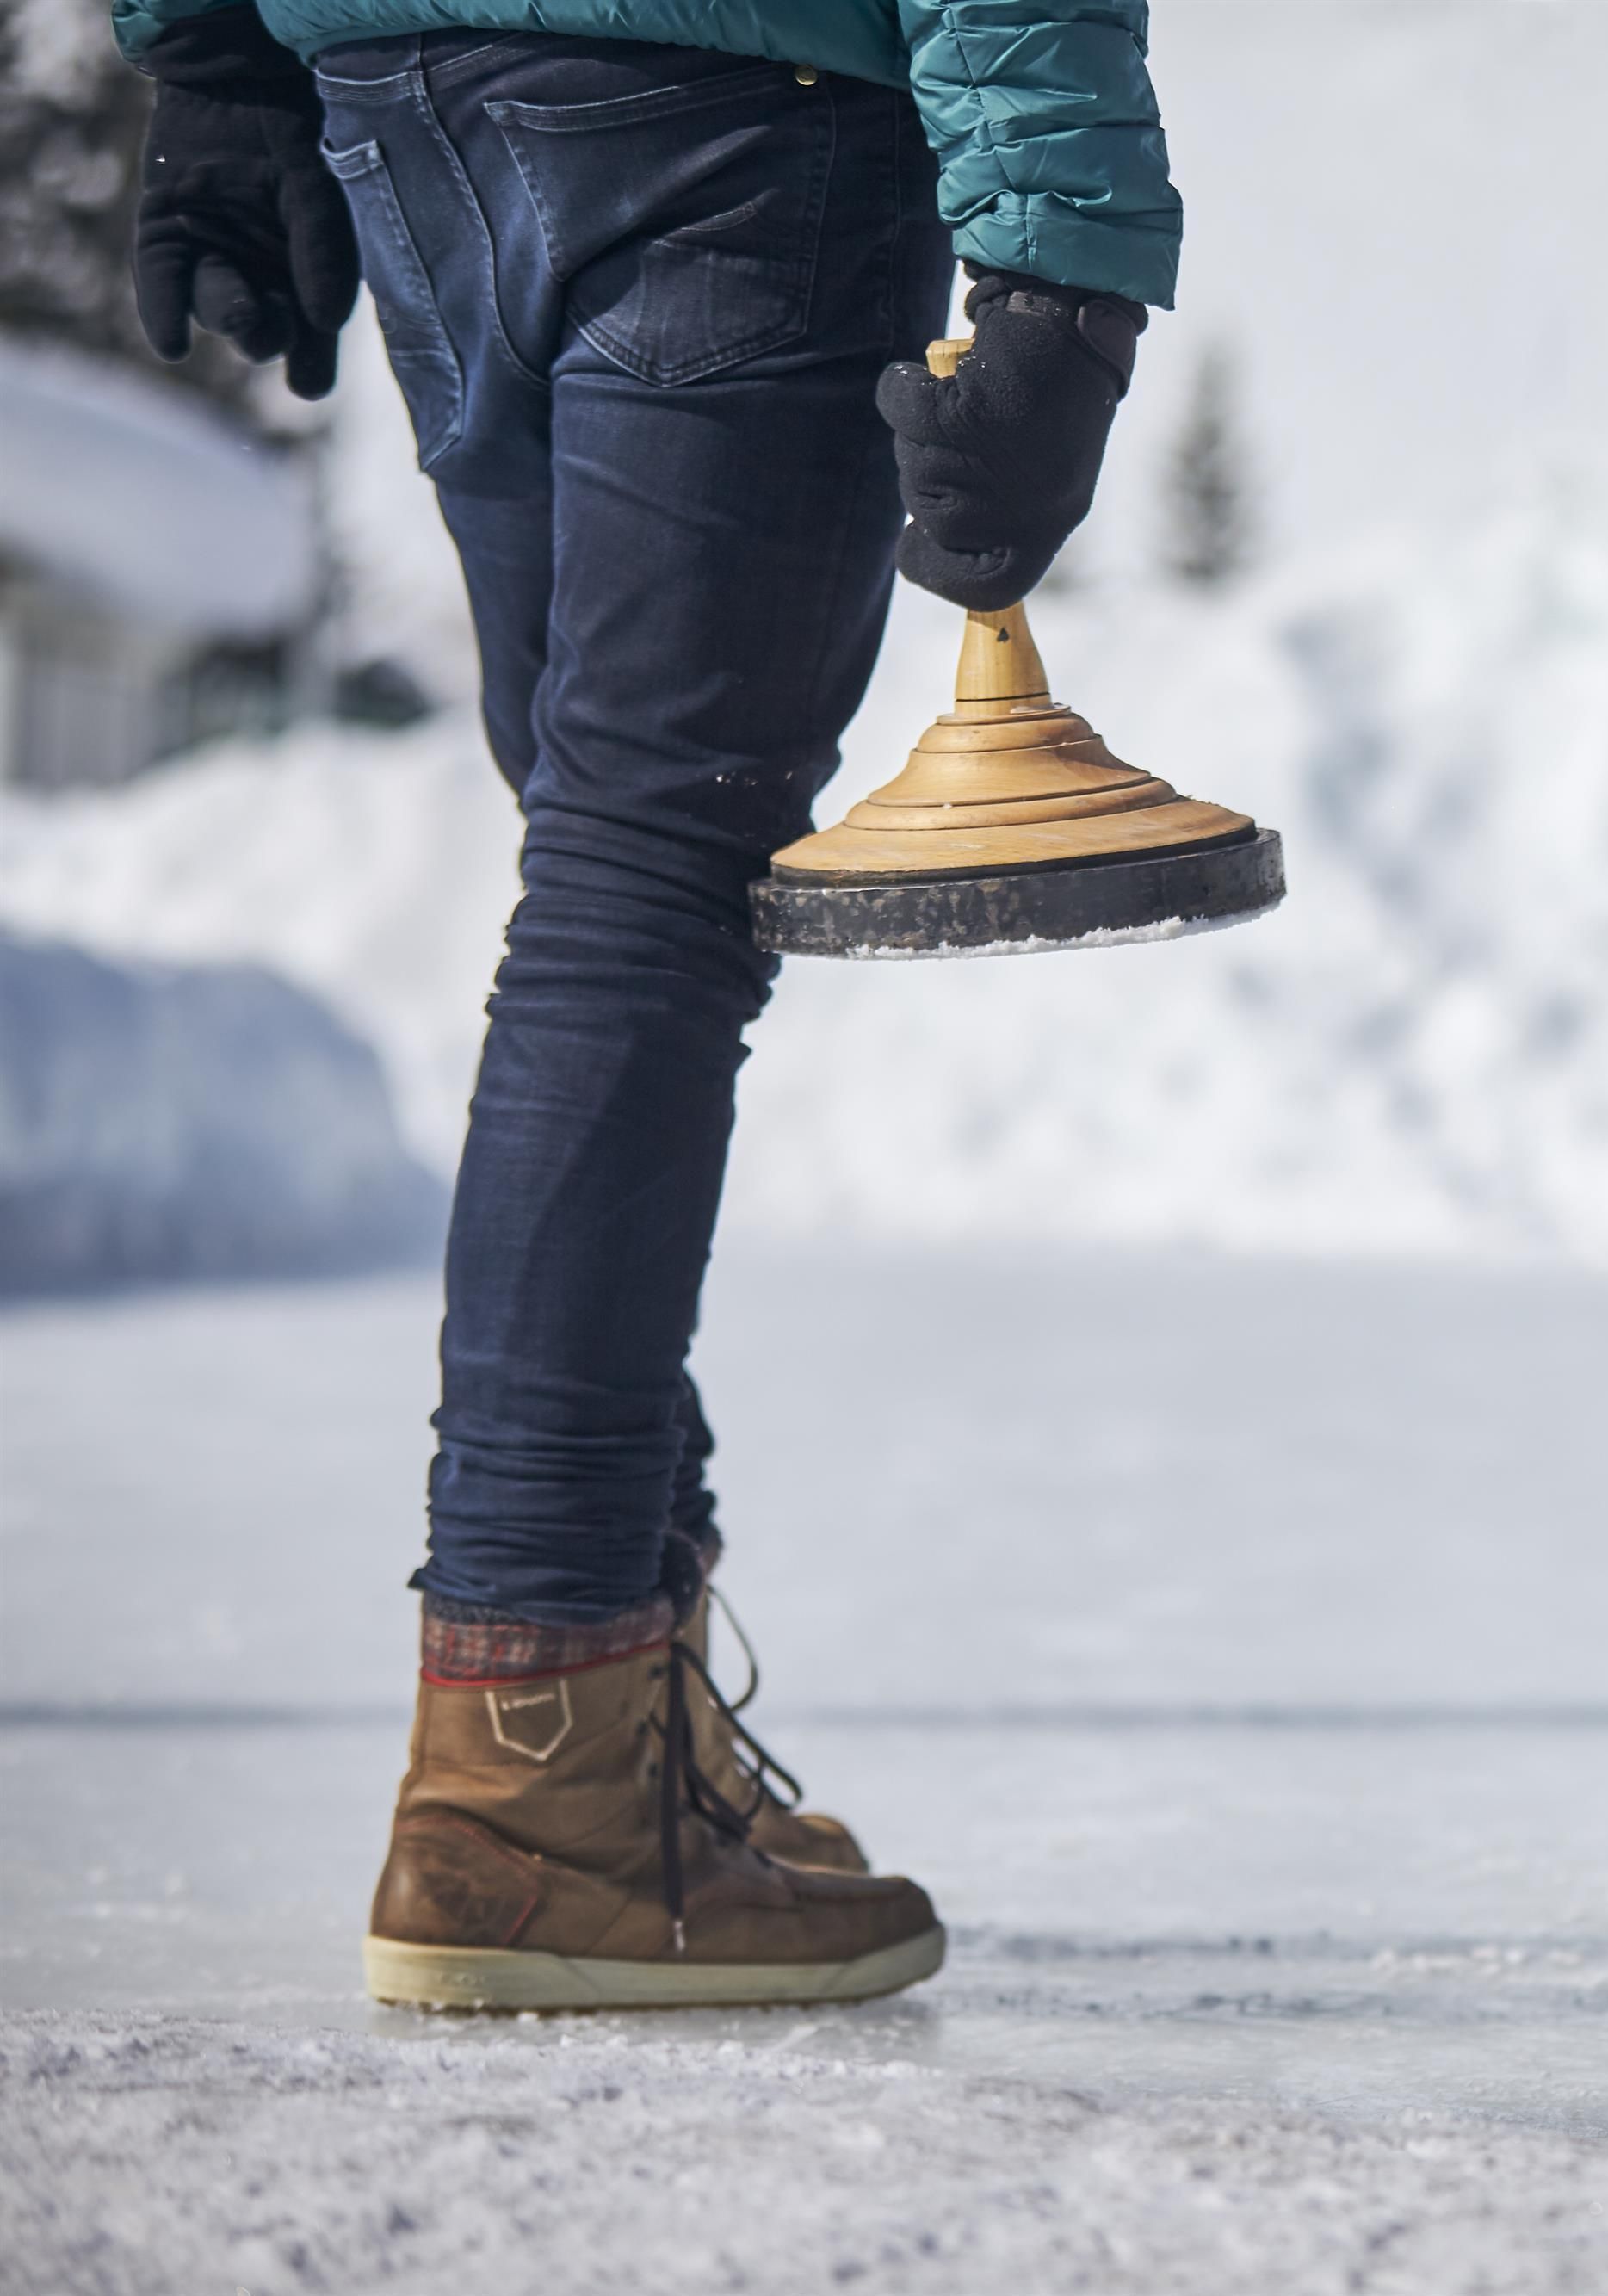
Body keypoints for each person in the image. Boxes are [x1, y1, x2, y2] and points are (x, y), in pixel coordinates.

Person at [114, 0, 1177, 2009]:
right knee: (643, 884)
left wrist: (208, 51)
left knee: (608, 855)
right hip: (737, 111)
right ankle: (531, 1773)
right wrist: (1061, 260)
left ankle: (607, 1713)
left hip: (407, 81)